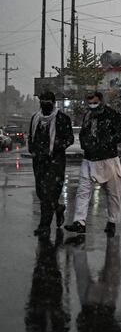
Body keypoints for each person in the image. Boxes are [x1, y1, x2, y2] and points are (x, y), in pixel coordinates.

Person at [65, 91, 121, 236]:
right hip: (89, 159)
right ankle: (79, 222)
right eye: (90, 103)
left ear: (101, 101)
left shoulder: (112, 115)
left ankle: (112, 221)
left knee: (114, 193)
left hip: (108, 158)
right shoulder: (87, 116)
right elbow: (83, 133)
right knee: (83, 190)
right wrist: (86, 144)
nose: (92, 106)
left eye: (95, 102)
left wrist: (106, 142)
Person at [28, 91, 74, 235]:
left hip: (55, 162)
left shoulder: (62, 118)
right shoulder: (35, 118)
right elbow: (31, 137)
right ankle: (58, 208)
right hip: (39, 161)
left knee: (48, 194)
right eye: (42, 100)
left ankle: (44, 226)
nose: (44, 103)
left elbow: (70, 138)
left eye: (47, 101)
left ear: (53, 103)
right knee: (41, 193)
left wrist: (55, 147)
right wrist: (32, 150)